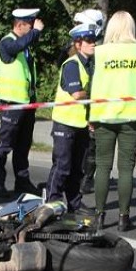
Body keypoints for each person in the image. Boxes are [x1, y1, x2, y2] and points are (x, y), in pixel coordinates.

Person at [88, 10, 136, 232]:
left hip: (104, 115)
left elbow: (92, 86)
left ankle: (99, 216)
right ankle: (124, 218)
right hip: (132, 117)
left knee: (103, 166)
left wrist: (91, 115)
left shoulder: (101, 53)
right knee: (126, 169)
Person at [0, 8, 45, 198]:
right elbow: (14, 48)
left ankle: (22, 181)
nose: (32, 29)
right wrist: (35, 33)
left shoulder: (25, 45)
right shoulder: (7, 42)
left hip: (26, 102)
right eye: (30, 25)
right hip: (11, 102)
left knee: (23, 145)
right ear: (19, 25)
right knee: (5, 144)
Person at [45, 23, 97, 214]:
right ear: (78, 43)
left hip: (81, 123)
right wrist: (95, 93)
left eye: (94, 40)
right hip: (65, 123)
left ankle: (74, 203)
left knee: (78, 169)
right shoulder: (72, 64)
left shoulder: (88, 64)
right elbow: (76, 94)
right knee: (62, 166)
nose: (93, 44)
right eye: (89, 41)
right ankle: (53, 201)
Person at [73, 9, 105, 195]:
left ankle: (87, 178)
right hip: (77, 107)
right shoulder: (79, 46)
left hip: (93, 104)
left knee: (92, 145)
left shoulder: (99, 51)